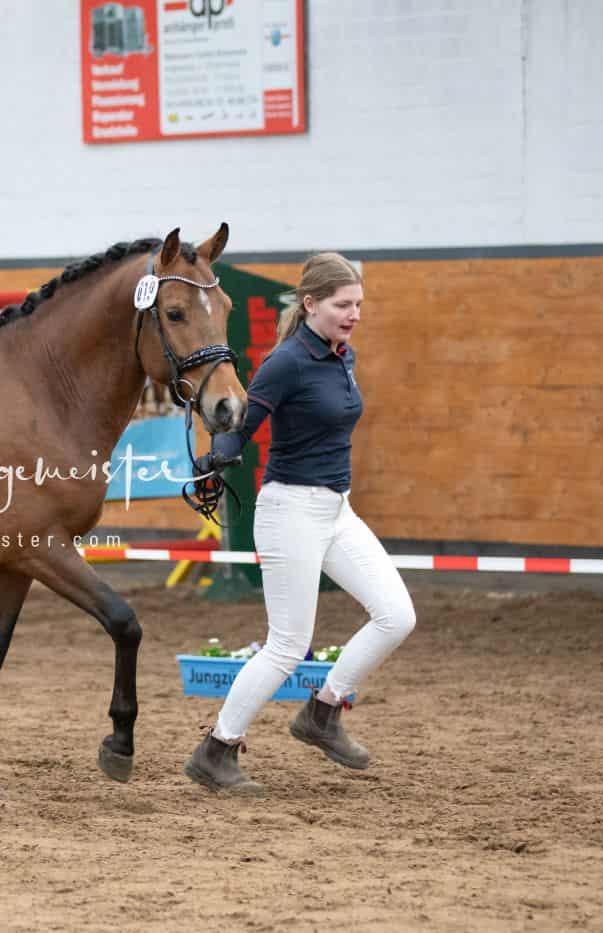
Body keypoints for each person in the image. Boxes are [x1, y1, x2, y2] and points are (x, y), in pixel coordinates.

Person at [186, 252, 416, 795]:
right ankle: (216, 750)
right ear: (310, 304)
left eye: (358, 304)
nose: (353, 314)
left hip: (337, 510)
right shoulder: (286, 361)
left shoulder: (342, 355)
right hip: (290, 511)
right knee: (288, 645)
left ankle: (323, 712)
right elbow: (243, 426)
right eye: (342, 305)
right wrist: (216, 458)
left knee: (396, 616)